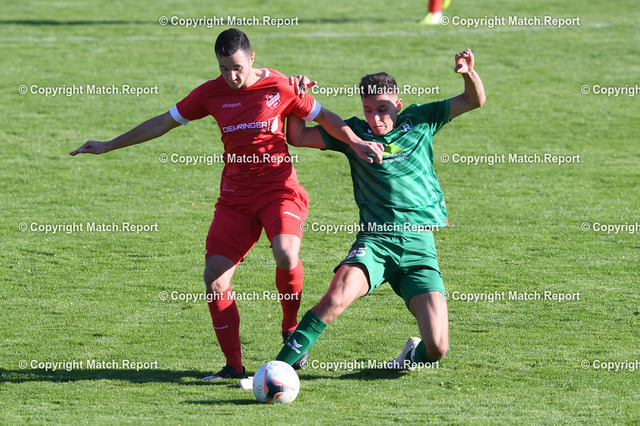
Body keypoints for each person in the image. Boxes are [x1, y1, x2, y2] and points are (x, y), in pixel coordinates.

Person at [70, 28, 383, 381]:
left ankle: (290, 328)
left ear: (251, 58)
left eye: (237, 68)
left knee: (286, 254)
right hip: (235, 200)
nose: (231, 77)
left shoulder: (281, 86)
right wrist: (108, 145)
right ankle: (233, 366)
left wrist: (355, 142)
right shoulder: (210, 93)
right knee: (215, 280)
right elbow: (163, 122)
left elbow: (324, 117)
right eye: (223, 69)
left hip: (279, 191)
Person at [276, 49, 485, 370]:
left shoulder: (422, 119)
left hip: (419, 247)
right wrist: (298, 99)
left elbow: (474, 100)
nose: (375, 119)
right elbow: (298, 135)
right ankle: (277, 369)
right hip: (376, 243)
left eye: (383, 110)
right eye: (369, 110)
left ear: (398, 105)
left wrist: (468, 73)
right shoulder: (353, 134)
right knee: (334, 300)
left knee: (438, 347)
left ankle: (409, 358)